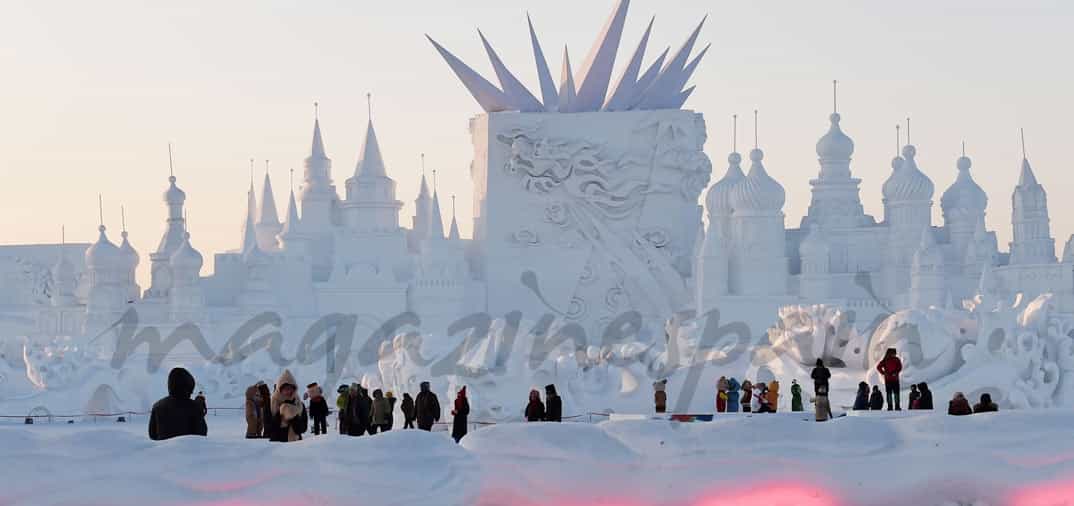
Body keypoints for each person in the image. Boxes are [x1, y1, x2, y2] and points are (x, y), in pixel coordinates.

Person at [148, 367, 208, 441]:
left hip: (163, 451)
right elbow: (201, 434)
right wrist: (199, 407)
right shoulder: (194, 407)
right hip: (188, 451)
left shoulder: (157, 406)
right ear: (188, 386)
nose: (192, 392)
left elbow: (152, 435)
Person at [269, 369, 307, 442]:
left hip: (296, 444)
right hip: (277, 444)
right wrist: (281, 413)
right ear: (280, 389)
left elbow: (303, 429)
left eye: (291, 389)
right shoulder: (273, 403)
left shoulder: (300, 405)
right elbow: (269, 428)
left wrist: (293, 417)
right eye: (286, 389)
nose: (288, 391)